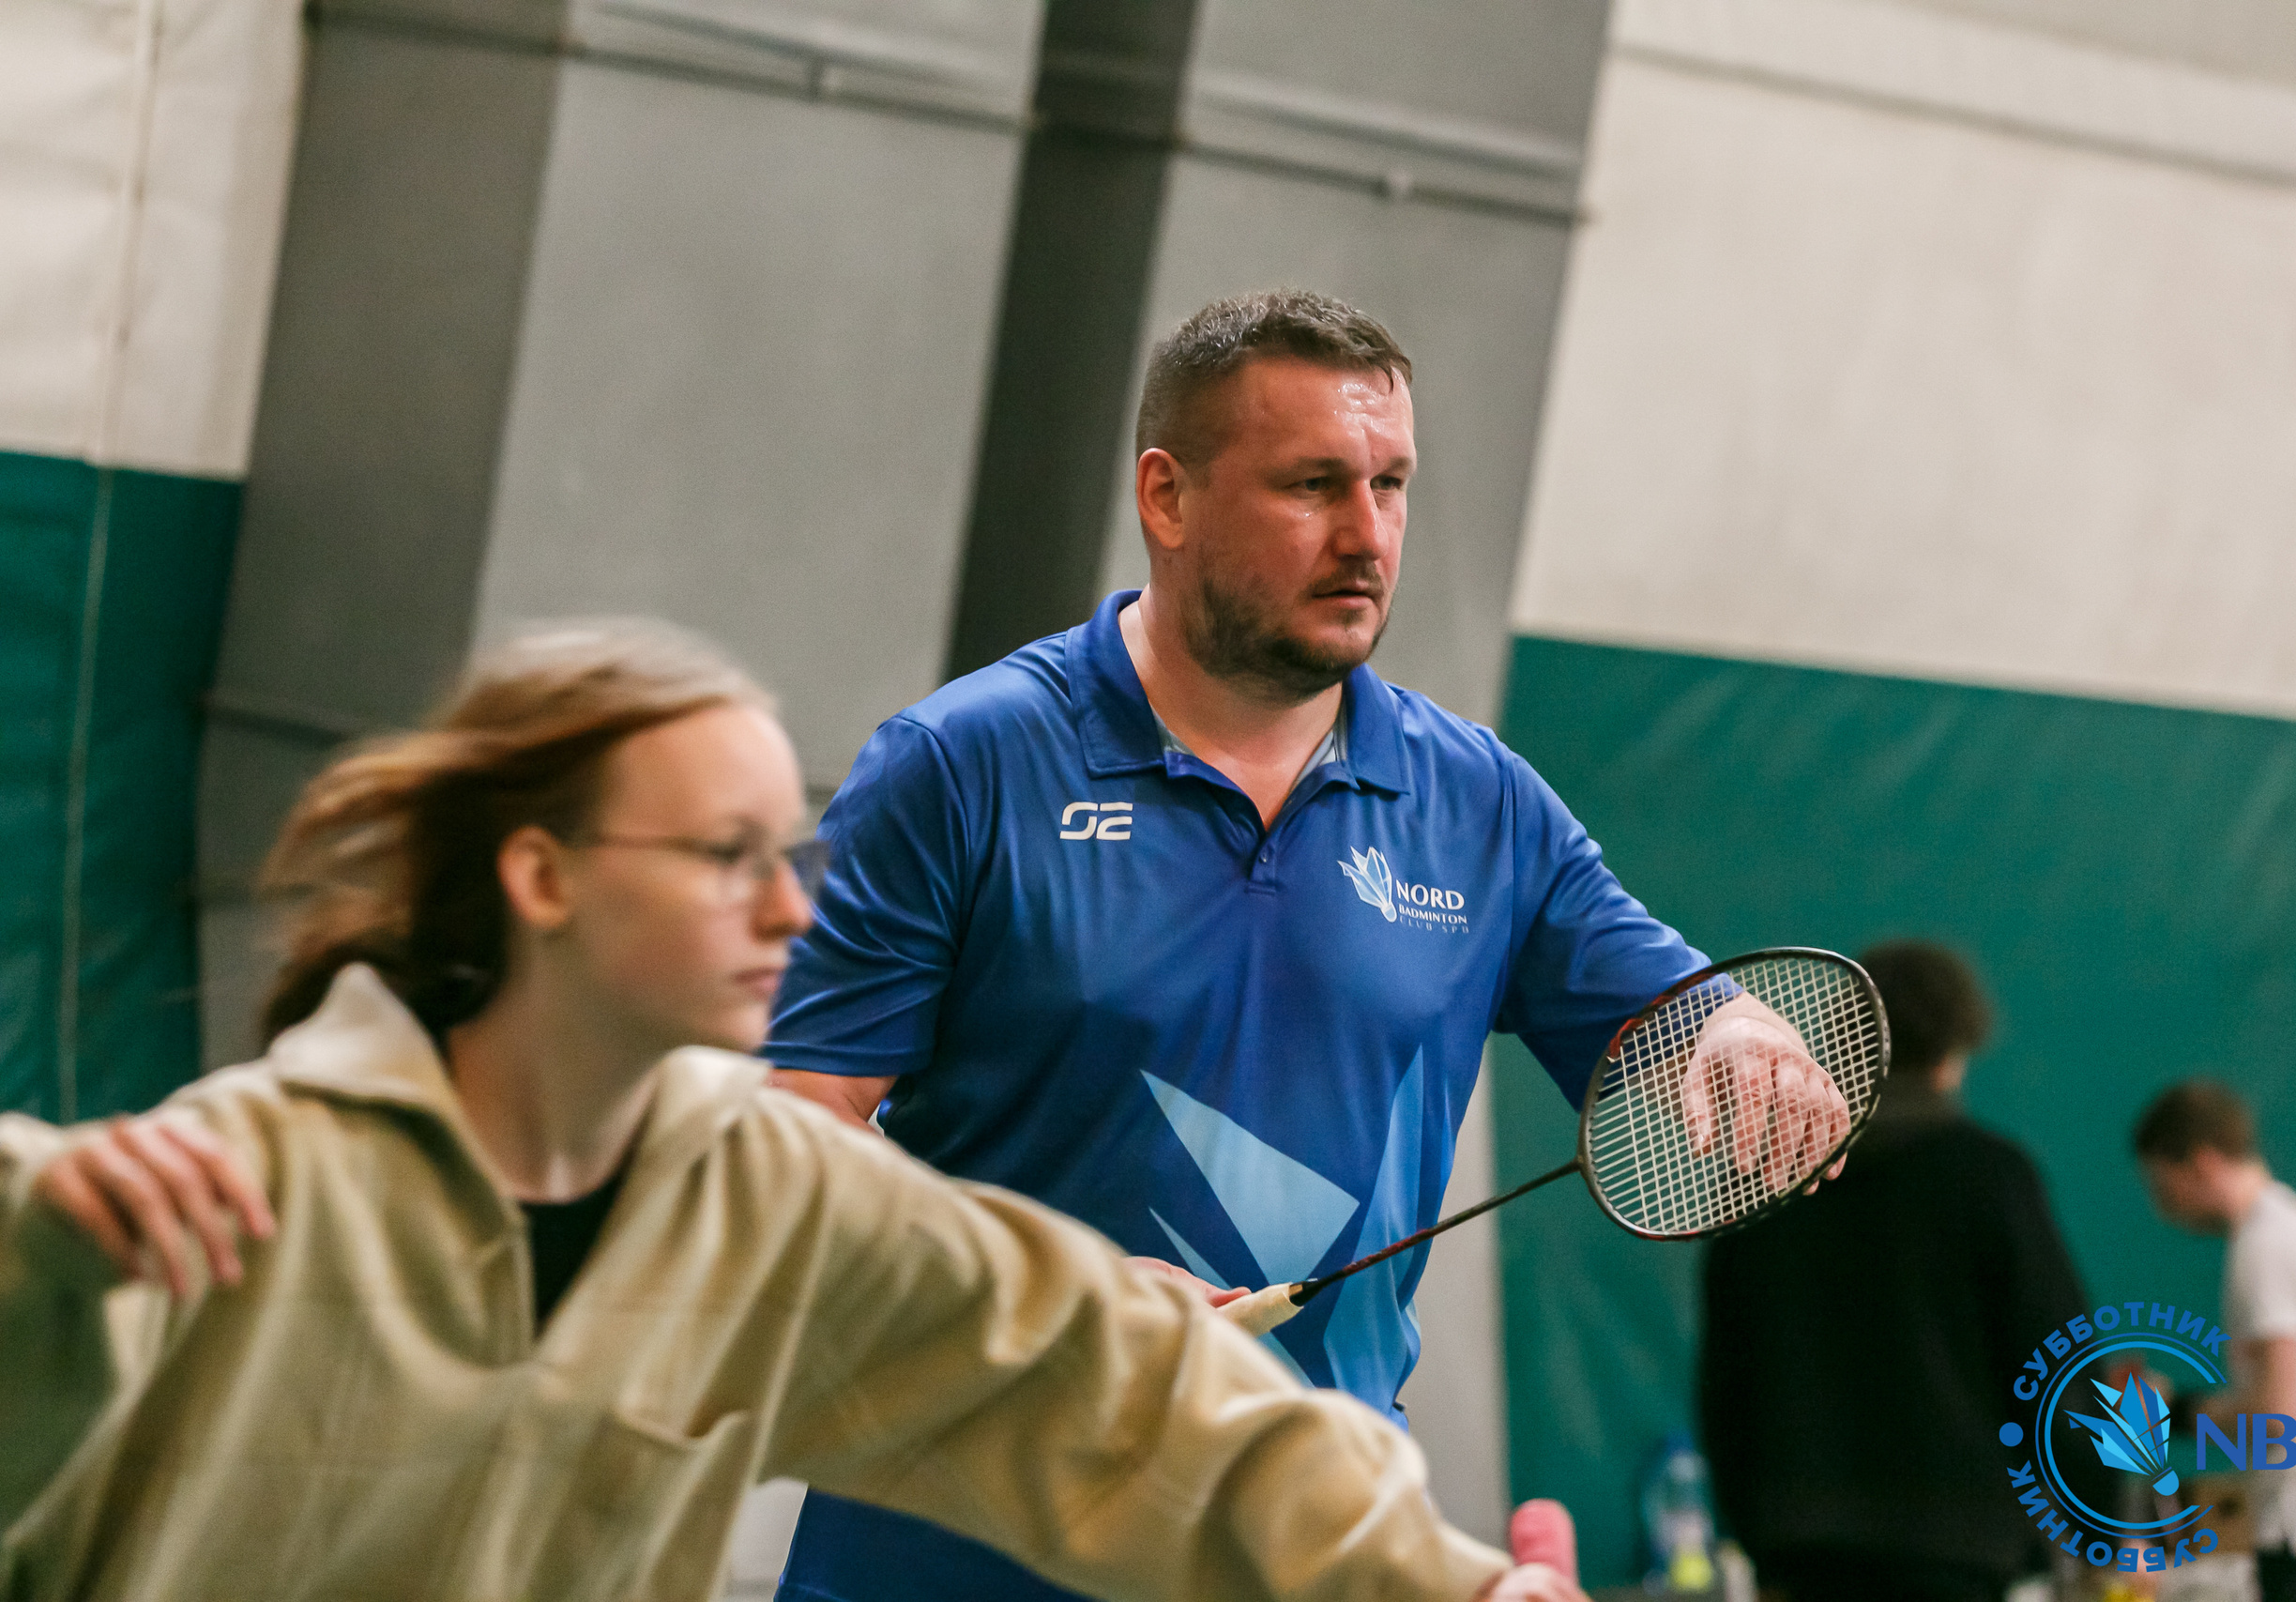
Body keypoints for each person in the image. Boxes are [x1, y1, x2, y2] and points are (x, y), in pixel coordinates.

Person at [0, 620, 1590, 1602]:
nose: (787, 908)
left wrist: (1448, 1584)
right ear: (542, 875)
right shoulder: (249, 1176)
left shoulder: (757, 1202)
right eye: (723, 858)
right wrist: (33, 1246)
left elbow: (1118, 1390)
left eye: (790, 852)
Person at [766, 289, 1848, 1602]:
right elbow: (787, 1138)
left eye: (1390, 484)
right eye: (1312, 485)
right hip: (949, 1552)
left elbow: (1675, 1009)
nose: (1366, 535)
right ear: (1167, 496)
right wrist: (1051, 1293)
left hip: (1306, 1554)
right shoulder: (958, 766)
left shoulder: (1479, 802)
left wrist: (1738, 1029)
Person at [1697, 938, 2087, 1602]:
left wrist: (1755, 1531)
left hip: (1801, 1546)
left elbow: (1726, 1381)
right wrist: (2097, 1517)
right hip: (1957, 1547)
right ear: (1953, 1052)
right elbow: (2054, 1364)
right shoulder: (1990, 1177)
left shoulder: (1767, 1182)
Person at [2136, 1079, 2296, 1602]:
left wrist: (2170, 1413)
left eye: (2162, 1186)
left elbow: (2278, 1419)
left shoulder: (2265, 1247)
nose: (2161, 1206)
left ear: (2203, 1163)